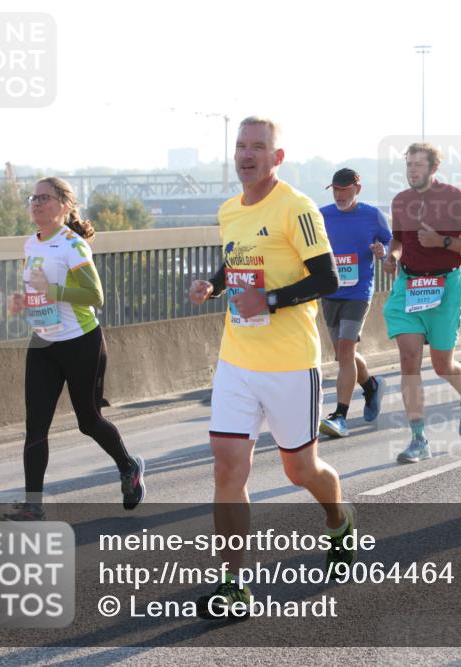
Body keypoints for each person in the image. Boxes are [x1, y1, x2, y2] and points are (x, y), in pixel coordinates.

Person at [187, 117, 354, 617]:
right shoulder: (228, 210)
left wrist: (273, 300)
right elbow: (235, 260)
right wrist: (213, 287)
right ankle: (235, 584)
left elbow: (327, 277)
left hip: (290, 364)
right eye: (240, 146)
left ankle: (338, 516)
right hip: (236, 359)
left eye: (258, 147)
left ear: (276, 157)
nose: (247, 154)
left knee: (299, 469)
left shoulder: (297, 207)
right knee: (227, 467)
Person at [6, 177, 146, 521]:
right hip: (43, 342)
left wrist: (52, 290)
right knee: (36, 426)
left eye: (45, 198)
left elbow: (94, 296)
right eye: (33, 198)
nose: (36, 203)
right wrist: (26, 300)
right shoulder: (31, 245)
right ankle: (33, 505)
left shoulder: (72, 245)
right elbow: (42, 291)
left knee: (89, 420)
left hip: (81, 342)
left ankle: (128, 467)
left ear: (65, 205)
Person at [382, 142, 461, 464]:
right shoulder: (400, 201)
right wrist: (392, 256)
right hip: (410, 284)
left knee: (442, 365)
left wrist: (443, 241)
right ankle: (418, 439)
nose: (412, 170)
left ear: (433, 168)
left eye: (418, 164)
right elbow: (398, 238)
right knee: (409, 356)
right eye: (409, 164)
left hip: (446, 284)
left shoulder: (453, 198)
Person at [316, 168, 392, 438]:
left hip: (359, 292)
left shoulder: (372, 216)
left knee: (346, 349)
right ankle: (371, 386)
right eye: (335, 190)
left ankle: (340, 416)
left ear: (357, 190)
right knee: (343, 354)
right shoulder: (322, 216)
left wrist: (383, 253)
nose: (339, 195)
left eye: (344, 190)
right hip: (330, 293)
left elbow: (391, 245)